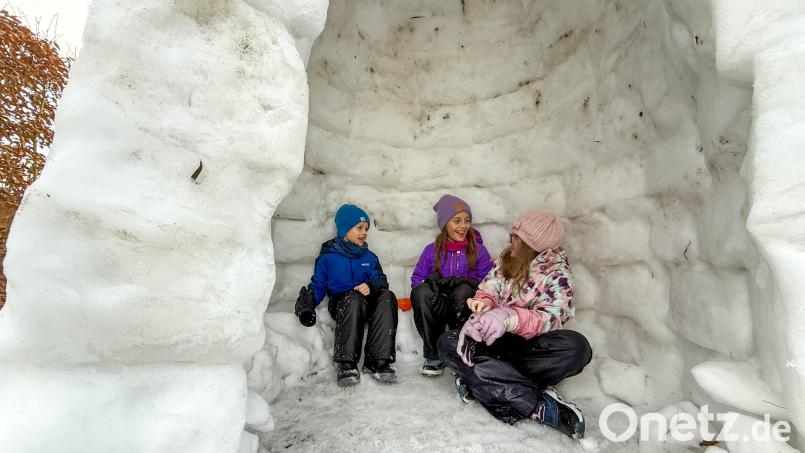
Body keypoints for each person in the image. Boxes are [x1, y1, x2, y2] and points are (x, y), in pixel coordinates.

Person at [437, 211, 592, 439]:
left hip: (530, 346)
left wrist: (509, 318)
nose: (510, 240)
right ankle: (538, 404)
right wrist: (482, 306)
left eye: (516, 237)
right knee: (448, 343)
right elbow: (489, 288)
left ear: (532, 244)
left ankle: (486, 383)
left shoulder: (558, 275)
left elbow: (551, 318)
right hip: (495, 342)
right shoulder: (507, 259)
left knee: (577, 347)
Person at [295, 204, 398, 387]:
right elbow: (318, 285)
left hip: (368, 302)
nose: (364, 232)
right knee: (354, 299)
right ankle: (346, 363)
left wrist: (372, 286)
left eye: (366, 228)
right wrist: (307, 304)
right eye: (359, 228)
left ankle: (378, 361)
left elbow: (381, 280)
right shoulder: (328, 258)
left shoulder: (369, 257)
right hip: (344, 305)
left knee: (387, 296)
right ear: (344, 229)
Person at [410, 194, 494, 376]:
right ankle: (433, 355)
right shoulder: (431, 250)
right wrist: (432, 283)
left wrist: (468, 283)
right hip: (440, 306)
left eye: (467, 220)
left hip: (465, 306)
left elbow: (490, 281)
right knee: (421, 292)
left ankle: (459, 348)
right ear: (445, 224)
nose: (463, 226)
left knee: (463, 290)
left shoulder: (478, 250)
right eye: (457, 221)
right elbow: (417, 280)